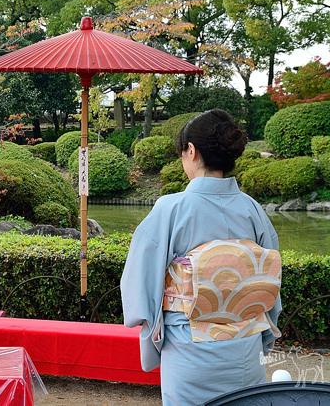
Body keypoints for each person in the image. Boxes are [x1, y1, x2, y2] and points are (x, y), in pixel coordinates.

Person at [121, 109, 282, 406]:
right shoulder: (253, 209)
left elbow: (139, 289)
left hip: (189, 350)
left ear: (191, 151)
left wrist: (152, 339)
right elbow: (270, 286)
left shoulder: (170, 209)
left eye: (182, 153)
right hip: (246, 349)